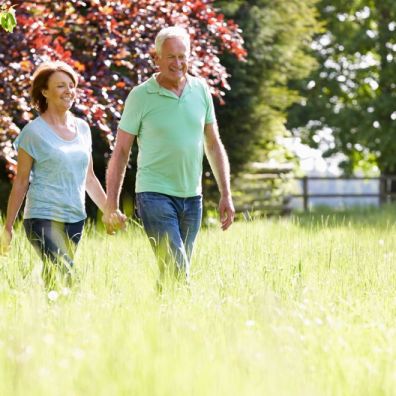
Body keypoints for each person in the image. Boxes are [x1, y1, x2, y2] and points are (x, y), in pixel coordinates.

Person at [103, 26, 235, 285]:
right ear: (157, 59)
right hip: (154, 194)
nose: (178, 63)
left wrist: (226, 194)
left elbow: (213, 143)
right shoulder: (140, 96)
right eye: (171, 57)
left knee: (173, 271)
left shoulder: (201, 90)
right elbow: (120, 151)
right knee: (177, 267)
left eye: (182, 56)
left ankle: (160, 320)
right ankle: (190, 321)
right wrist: (111, 204)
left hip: (192, 198)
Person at [0, 61, 119, 287]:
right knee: (67, 273)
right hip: (41, 216)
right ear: (45, 92)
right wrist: (8, 227)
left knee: (55, 278)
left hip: (75, 217)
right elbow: (21, 182)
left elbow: (89, 178)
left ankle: (47, 318)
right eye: (61, 86)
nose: (69, 91)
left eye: (71, 85)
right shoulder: (33, 132)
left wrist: (109, 211)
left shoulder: (83, 128)